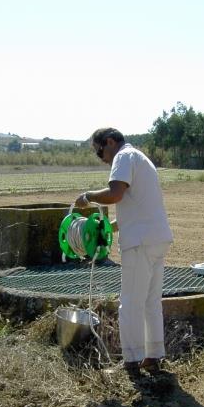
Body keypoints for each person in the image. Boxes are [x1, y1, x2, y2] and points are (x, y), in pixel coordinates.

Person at [74, 128, 173, 374]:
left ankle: (131, 361)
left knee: (130, 303)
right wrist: (109, 228)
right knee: (151, 302)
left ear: (109, 142)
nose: (102, 158)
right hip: (157, 238)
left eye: (100, 152)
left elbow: (115, 194)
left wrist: (87, 197)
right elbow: (136, 206)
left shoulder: (123, 157)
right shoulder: (141, 159)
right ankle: (153, 356)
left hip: (140, 242)